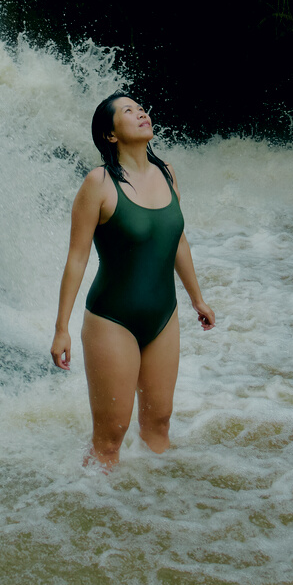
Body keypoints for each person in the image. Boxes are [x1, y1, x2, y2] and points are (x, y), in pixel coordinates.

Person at [51, 92, 215, 469]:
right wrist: (61, 328)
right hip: (112, 320)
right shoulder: (98, 184)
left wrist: (197, 298)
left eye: (140, 108)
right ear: (110, 135)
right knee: (110, 439)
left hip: (163, 315)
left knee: (159, 423)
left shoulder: (166, 172)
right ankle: (94, 510)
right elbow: (76, 259)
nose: (141, 113)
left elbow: (177, 240)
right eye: (128, 111)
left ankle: (152, 514)